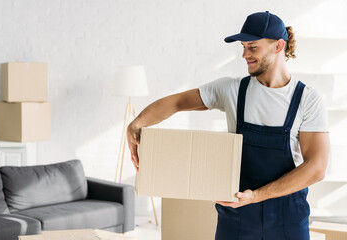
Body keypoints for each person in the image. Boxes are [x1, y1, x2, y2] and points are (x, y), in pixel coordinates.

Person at [127, 11, 330, 240]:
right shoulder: (231, 90)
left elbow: (317, 167)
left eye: (252, 47)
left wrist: (256, 196)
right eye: (243, 47)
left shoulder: (307, 99)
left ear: (278, 46)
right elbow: (177, 102)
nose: (245, 54)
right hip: (237, 220)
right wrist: (135, 124)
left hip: (288, 221)